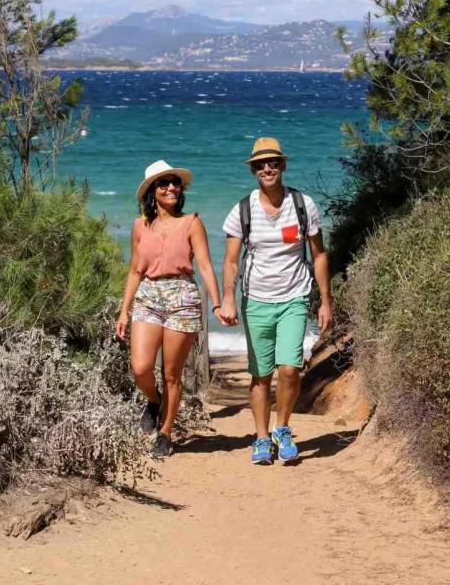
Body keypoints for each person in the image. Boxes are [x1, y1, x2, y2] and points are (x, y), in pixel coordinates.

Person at [220, 137, 332, 465]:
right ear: (253, 171)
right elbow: (230, 261)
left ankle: (282, 428)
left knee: (289, 369)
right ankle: (261, 438)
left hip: (295, 297)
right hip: (255, 300)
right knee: (261, 374)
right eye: (259, 165)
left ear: (282, 165)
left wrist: (325, 301)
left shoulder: (302, 205)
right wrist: (227, 299)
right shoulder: (242, 209)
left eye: (272, 163)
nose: (266, 169)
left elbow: (319, 254)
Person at [116, 159, 223, 459]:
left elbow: (203, 264)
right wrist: (124, 310)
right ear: (152, 191)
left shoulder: (191, 223)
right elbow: (135, 271)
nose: (172, 187)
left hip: (183, 298)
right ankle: (153, 400)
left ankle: (165, 432)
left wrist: (216, 301)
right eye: (164, 183)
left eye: (175, 183)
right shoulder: (140, 226)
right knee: (141, 367)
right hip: (148, 295)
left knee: (172, 373)